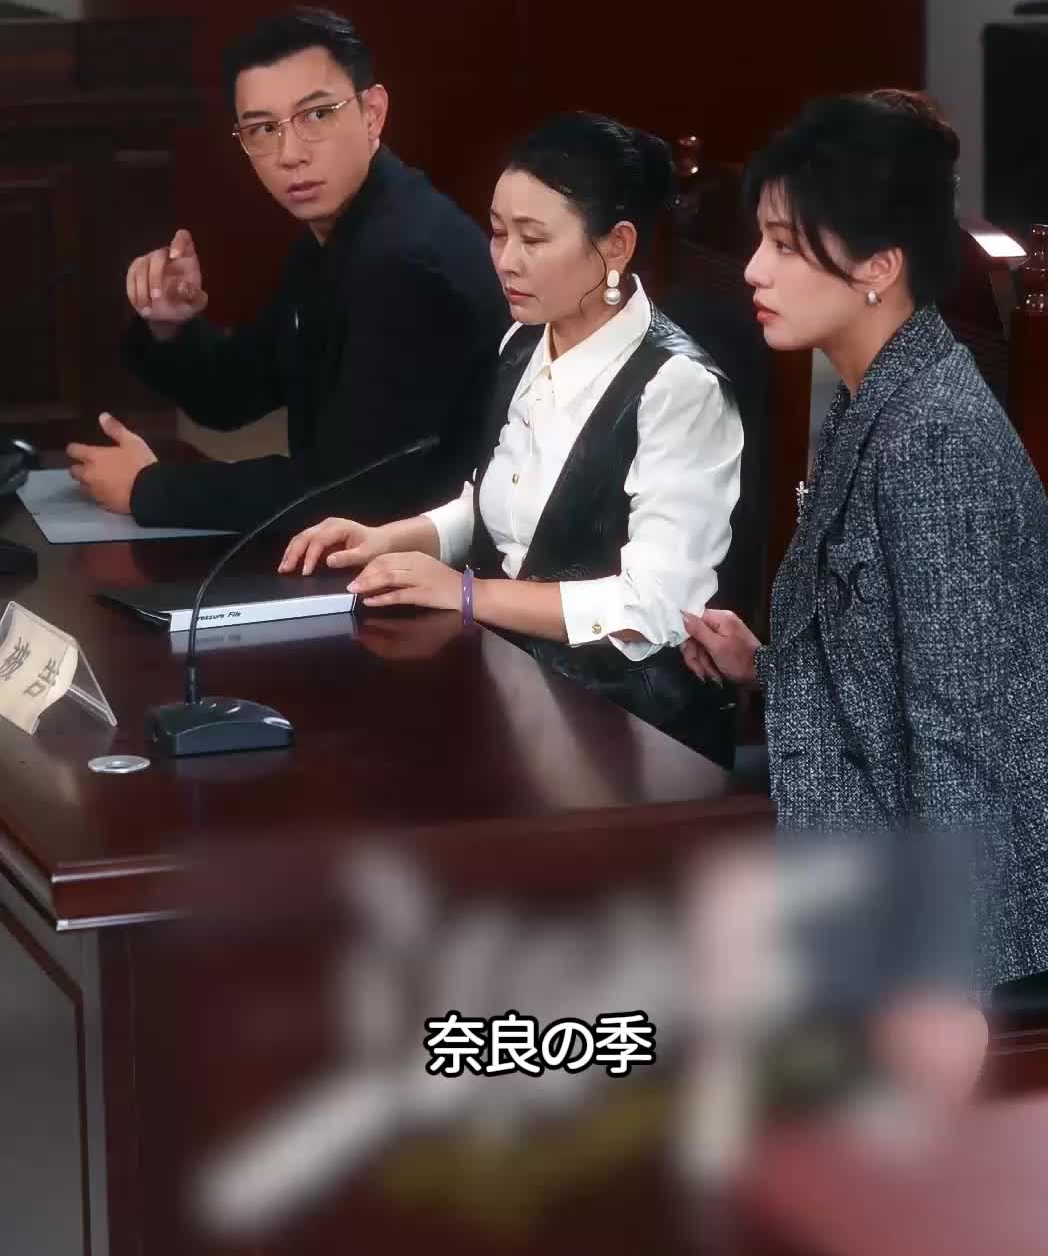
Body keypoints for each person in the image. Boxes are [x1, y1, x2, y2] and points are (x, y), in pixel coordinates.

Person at [682, 90, 1048, 986]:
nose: (753, 271)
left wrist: (945, 970)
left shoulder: (933, 439)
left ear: (879, 266)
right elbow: (889, 667)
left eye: (786, 246)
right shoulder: (882, 389)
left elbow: (961, 731)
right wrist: (763, 665)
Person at [282, 111, 745, 765]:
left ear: (616, 246)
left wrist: (466, 594)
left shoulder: (678, 387)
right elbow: (499, 503)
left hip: (628, 728)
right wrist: (393, 537)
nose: (505, 260)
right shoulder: (524, 341)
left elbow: (656, 606)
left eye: (533, 238)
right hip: (517, 686)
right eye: (498, 232)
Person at [66, 7, 508, 533]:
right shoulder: (336, 237)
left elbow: (352, 491)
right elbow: (233, 395)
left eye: (316, 116)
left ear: (372, 113)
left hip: (443, 560)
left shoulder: (403, 260)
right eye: (263, 128)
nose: (289, 154)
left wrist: (148, 489)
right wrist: (169, 324)